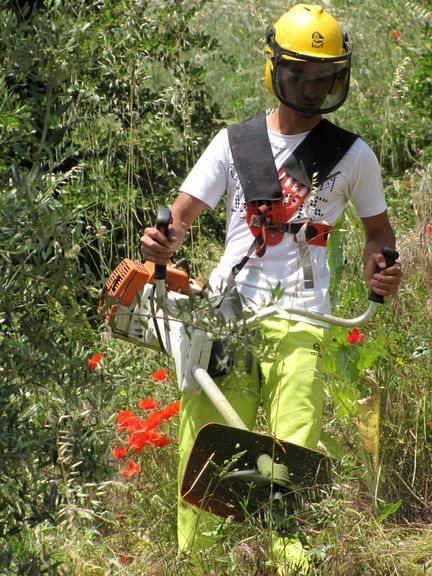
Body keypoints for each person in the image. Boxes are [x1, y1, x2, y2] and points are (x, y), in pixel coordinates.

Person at [140, 4, 402, 574]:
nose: (312, 89)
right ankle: (199, 560)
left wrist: (380, 267)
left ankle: (290, 561)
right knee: (206, 443)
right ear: (274, 71)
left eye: (325, 77)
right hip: (227, 317)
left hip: (306, 318)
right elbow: (180, 220)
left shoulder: (354, 156)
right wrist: (162, 245)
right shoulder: (234, 144)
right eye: (300, 75)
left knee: (291, 454)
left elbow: (377, 233)